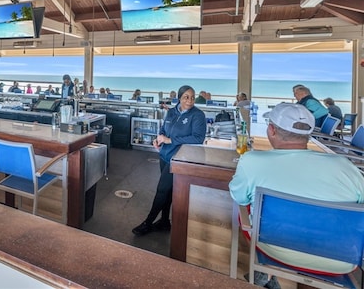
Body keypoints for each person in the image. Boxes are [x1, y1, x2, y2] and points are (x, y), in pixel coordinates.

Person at [229, 103, 364, 277]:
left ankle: (263, 273)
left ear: (271, 130)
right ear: (309, 134)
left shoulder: (251, 161)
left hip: (273, 248)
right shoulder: (345, 167)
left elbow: (239, 198)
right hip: (343, 259)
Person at [132, 85, 207, 236]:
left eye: (192, 97)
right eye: (186, 97)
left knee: (161, 190)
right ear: (179, 98)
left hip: (179, 158)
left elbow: (198, 138)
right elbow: (164, 129)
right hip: (165, 155)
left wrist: (170, 140)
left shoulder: (198, 115)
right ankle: (165, 221)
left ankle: (148, 222)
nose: (190, 100)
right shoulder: (172, 112)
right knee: (168, 190)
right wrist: (158, 139)